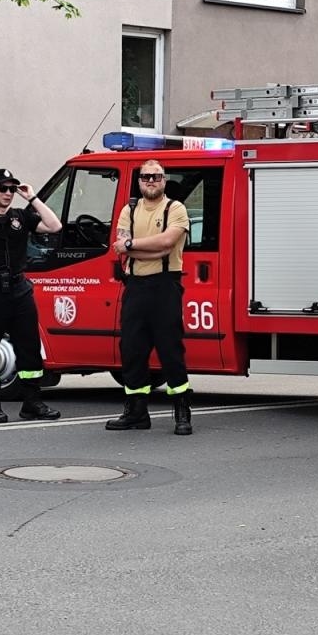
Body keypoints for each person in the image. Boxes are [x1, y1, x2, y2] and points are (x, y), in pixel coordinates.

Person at [0, 168, 63, 424]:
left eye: (12, 189)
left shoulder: (21, 216)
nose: (8, 193)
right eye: (3, 188)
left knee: (29, 345)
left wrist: (32, 198)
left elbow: (55, 225)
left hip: (19, 287)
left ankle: (32, 402)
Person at [106, 159, 193, 435]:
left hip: (165, 286)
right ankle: (136, 412)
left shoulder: (175, 209)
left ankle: (182, 410)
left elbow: (167, 243)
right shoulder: (128, 210)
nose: (151, 181)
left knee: (170, 349)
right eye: (146, 177)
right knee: (132, 349)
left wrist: (132, 245)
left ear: (164, 180)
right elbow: (120, 247)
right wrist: (145, 249)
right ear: (139, 181)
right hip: (135, 286)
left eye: (156, 176)